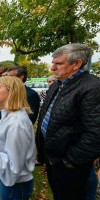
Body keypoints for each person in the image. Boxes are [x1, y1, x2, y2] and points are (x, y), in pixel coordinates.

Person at [36, 43, 100, 200]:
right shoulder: (58, 84)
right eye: (53, 62)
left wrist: (70, 161)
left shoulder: (93, 87)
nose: (52, 68)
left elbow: (96, 133)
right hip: (53, 158)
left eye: (58, 63)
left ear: (76, 64)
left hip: (69, 165)